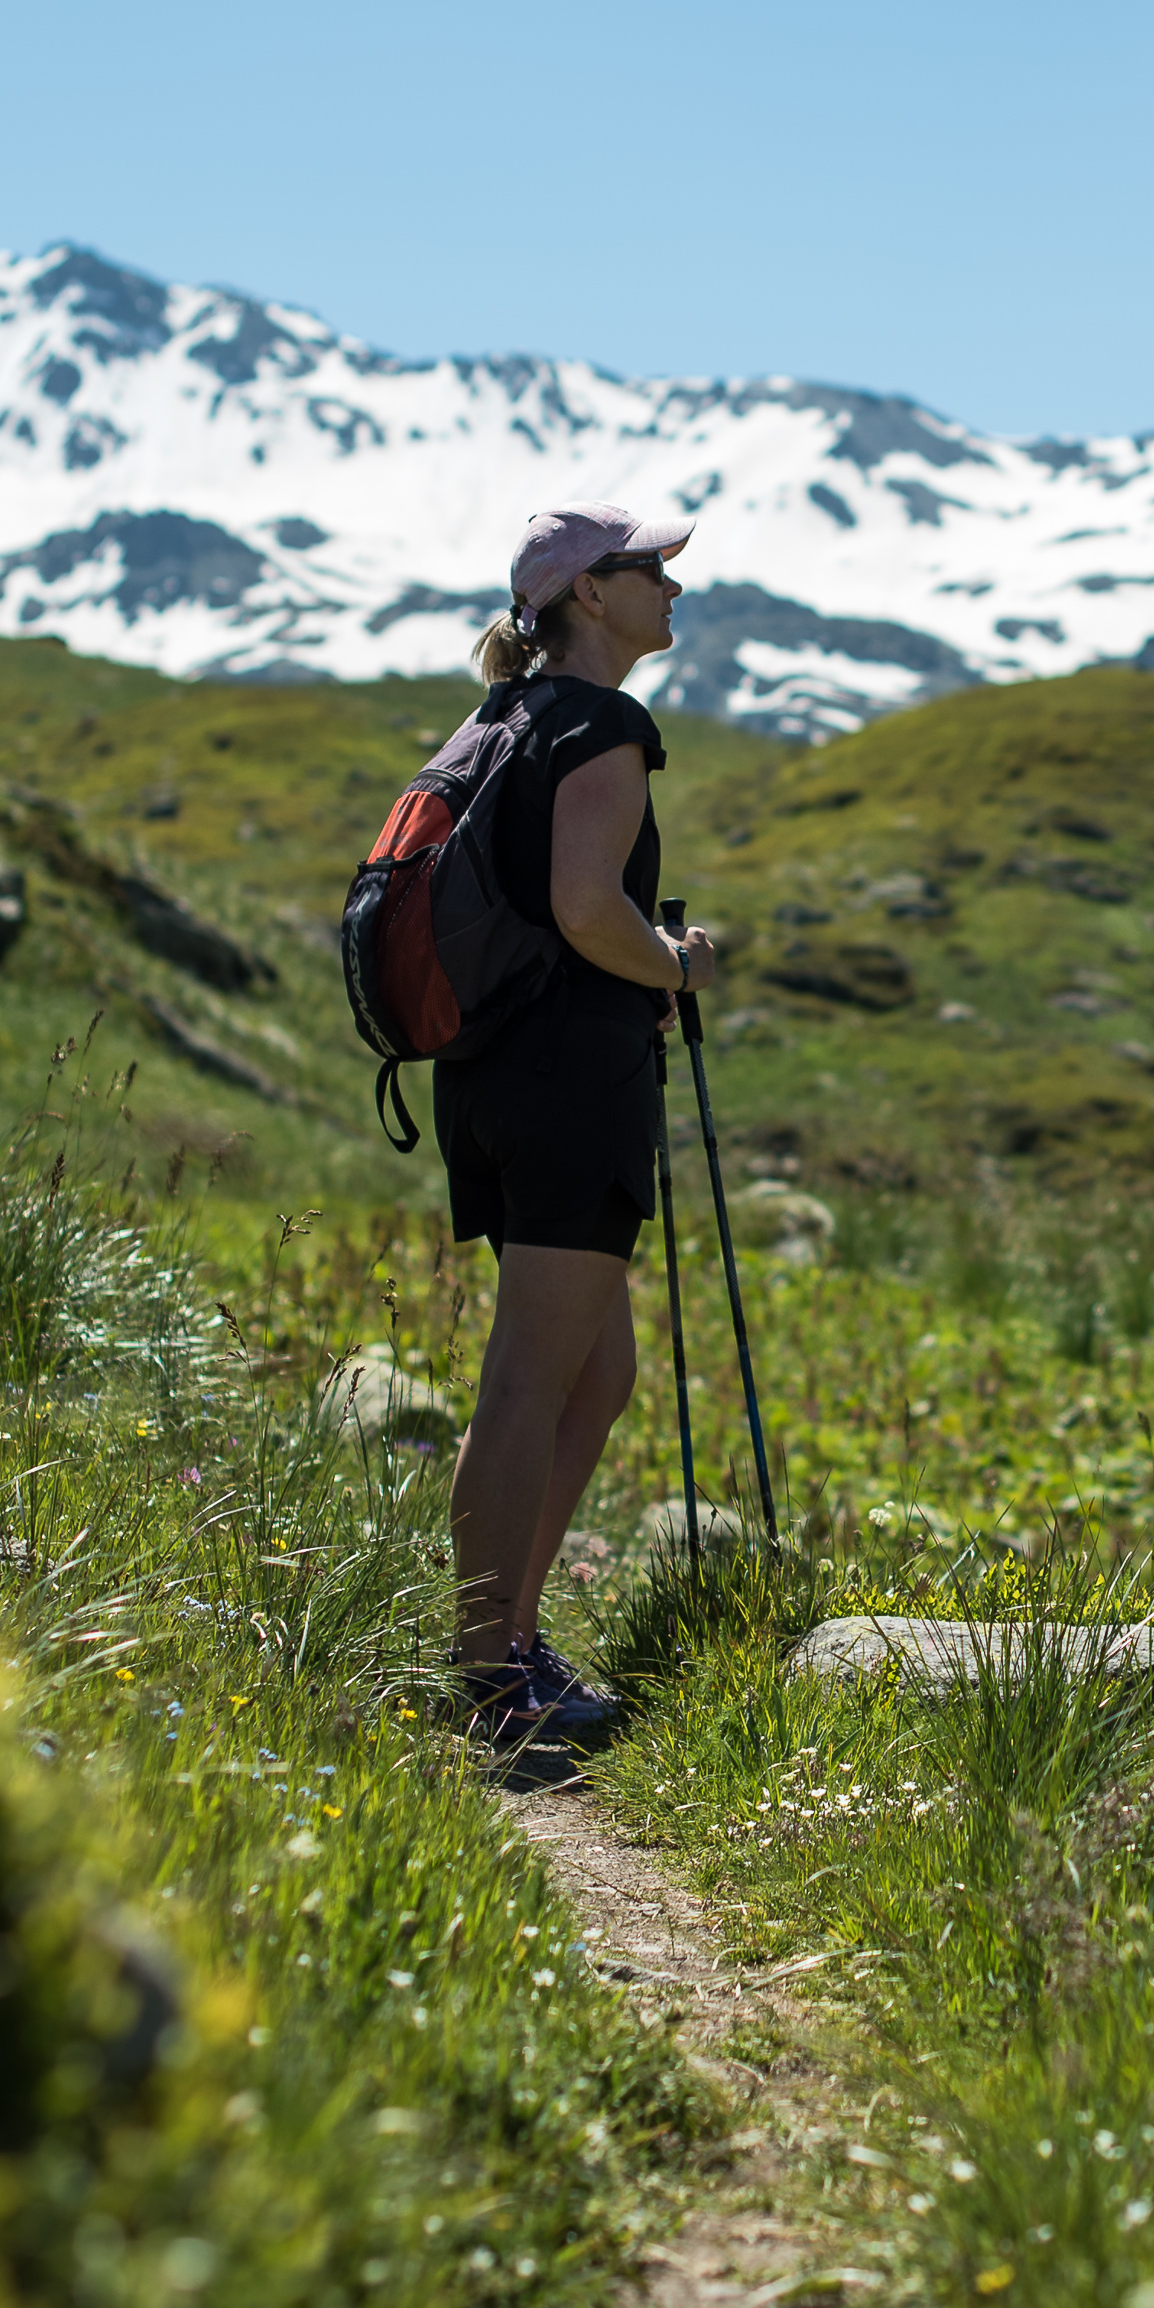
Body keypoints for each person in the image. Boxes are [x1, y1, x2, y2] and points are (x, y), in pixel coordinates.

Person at [437, 503, 722, 1766]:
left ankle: (511, 1634)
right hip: (568, 1083)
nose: (672, 584)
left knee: (594, 1373)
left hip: (490, 1078)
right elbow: (584, 908)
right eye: (648, 568)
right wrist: (676, 961)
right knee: (528, 1381)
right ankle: (485, 1670)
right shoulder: (603, 722)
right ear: (588, 596)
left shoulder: (499, 718)